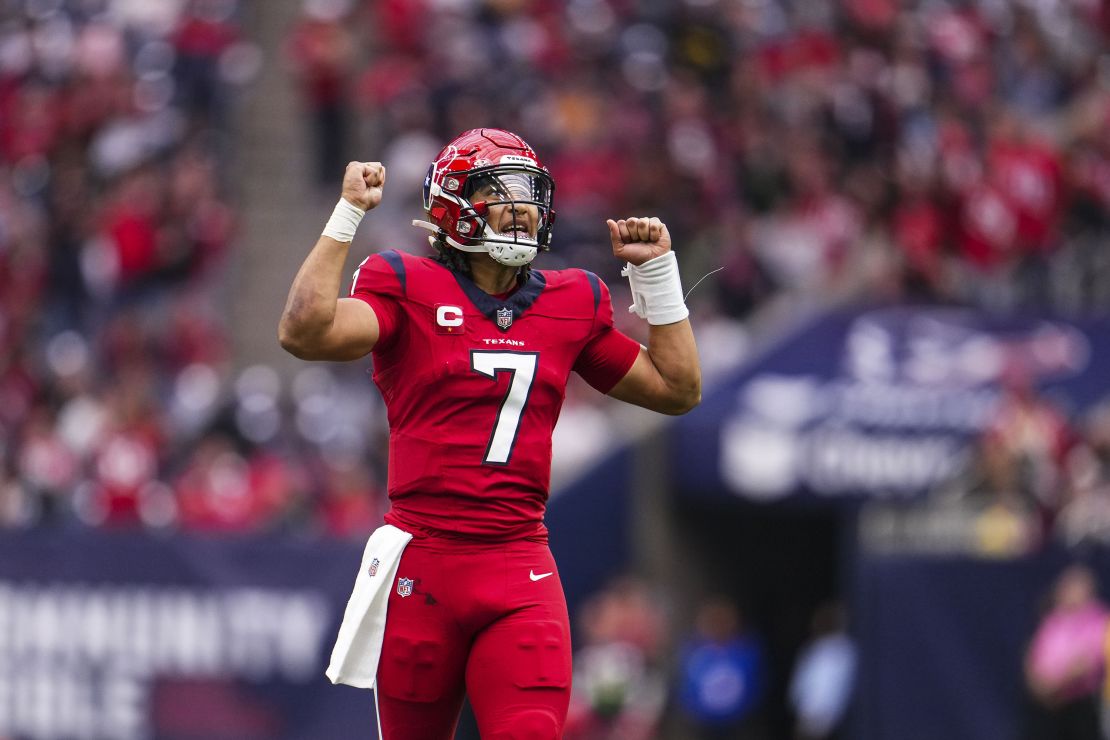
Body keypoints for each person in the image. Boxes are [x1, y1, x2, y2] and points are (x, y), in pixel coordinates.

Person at [278, 128, 700, 739]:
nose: (523, 208)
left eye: (531, 193)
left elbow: (677, 388)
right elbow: (304, 332)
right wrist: (346, 215)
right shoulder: (406, 285)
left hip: (518, 568)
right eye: (502, 192)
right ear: (454, 203)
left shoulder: (570, 301)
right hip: (422, 569)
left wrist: (658, 276)